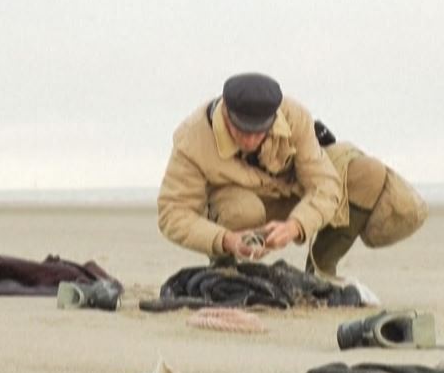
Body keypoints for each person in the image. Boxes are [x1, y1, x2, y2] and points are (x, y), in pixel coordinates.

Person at [155, 73, 428, 276]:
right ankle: (225, 269)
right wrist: (225, 240)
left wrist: (296, 226)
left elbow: (325, 186)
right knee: (242, 210)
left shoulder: (295, 116)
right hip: (237, 207)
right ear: (225, 113)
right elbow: (173, 213)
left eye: (259, 130)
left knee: (367, 172)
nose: (250, 139)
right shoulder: (192, 138)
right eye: (241, 130)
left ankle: (322, 270)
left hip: (293, 194)